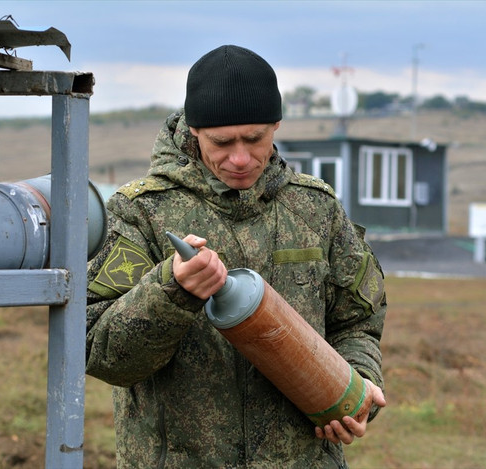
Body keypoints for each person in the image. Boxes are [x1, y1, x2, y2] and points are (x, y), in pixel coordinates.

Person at [86, 44, 387, 468]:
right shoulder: (139, 214)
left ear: (276, 125)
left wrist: (357, 386)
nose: (241, 158)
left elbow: (357, 322)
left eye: (255, 138)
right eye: (222, 142)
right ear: (193, 131)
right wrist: (172, 291)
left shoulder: (316, 209)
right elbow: (102, 352)